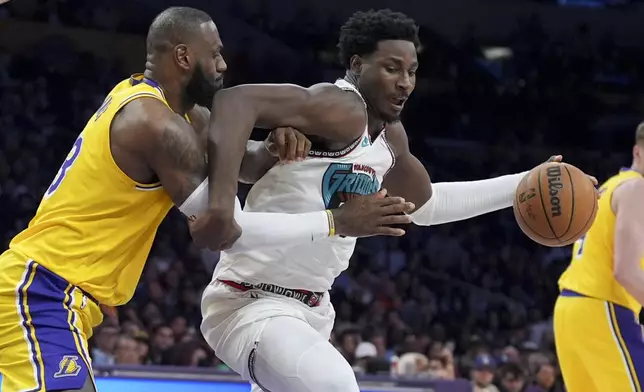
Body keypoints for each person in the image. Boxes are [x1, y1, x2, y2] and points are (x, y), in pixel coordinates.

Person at [0, 7, 413, 392]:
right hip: (43, 288)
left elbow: (244, 167)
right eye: (215, 55)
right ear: (183, 57)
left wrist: (274, 146)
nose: (223, 65)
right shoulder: (157, 125)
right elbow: (229, 230)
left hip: (62, 294)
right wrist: (338, 222)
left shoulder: (180, 113)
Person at [188, 9, 595, 392]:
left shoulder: (389, 138)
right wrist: (223, 205)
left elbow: (428, 206)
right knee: (336, 385)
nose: (405, 82)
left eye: (412, 71)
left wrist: (523, 184)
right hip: (251, 300)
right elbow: (234, 101)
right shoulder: (342, 107)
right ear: (356, 65)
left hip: (310, 312)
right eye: (391, 68)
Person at [554, 124, 644, 391]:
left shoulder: (610, 187)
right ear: (637, 152)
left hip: (570, 309)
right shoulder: (637, 189)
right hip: (604, 306)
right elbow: (625, 271)